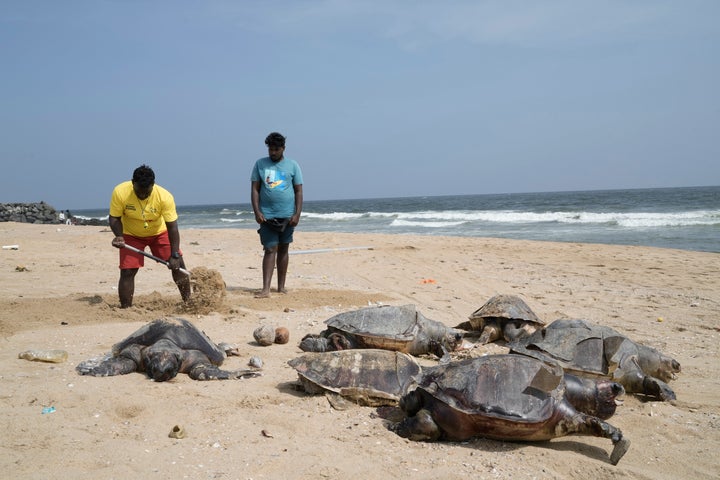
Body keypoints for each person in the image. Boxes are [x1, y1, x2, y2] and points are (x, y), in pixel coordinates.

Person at [109, 164, 191, 308]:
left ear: (153, 185)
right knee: (128, 271)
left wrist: (175, 254)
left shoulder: (164, 196)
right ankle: (126, 309)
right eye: (139, 192)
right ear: (132, 183)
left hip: (159, 233)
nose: (142, 195)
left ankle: (189, 303)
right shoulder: (120, 191)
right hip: (131, 234)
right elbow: (114, 218)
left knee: (178, 267)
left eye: (146, 193)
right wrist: (119, 236)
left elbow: (172, 226)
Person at [250, 132, 304, 298]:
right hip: (267, 216)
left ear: (283, 148)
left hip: (287, 215)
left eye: (276, 149)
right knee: (270, 248)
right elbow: (255, 189)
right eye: (270, 149)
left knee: (284, 249)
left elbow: (299, 191)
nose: (273, 152)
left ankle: (281, 287)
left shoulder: (293, 166)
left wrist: (297, 214)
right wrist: (257, 211)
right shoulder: (260, 164)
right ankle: (266, 289)